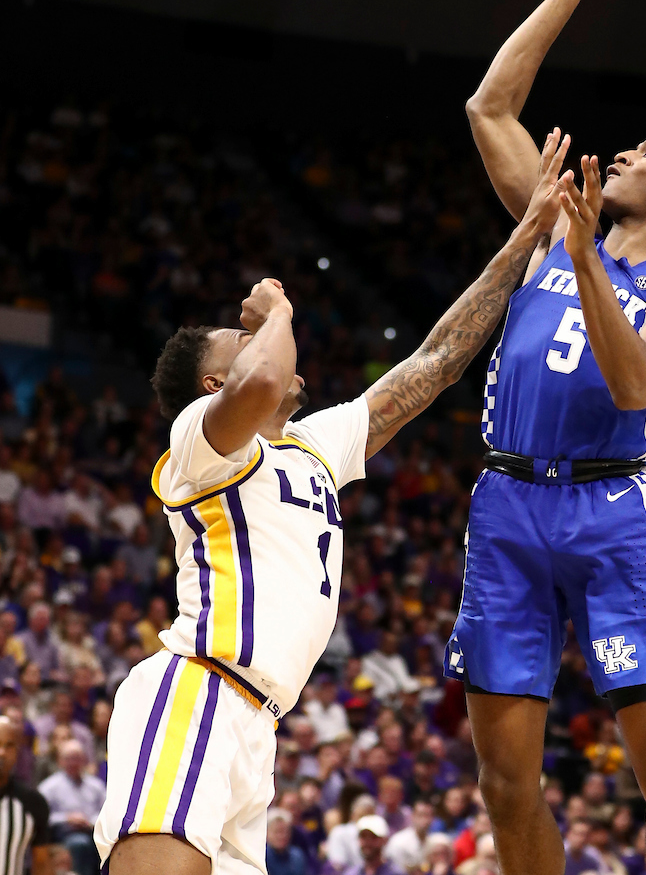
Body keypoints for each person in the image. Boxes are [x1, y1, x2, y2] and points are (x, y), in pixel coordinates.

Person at [95, 156, 568, 875]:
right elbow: (258, 382)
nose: (270, 344)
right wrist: (278, 314)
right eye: (243, 342)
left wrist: (527, 234)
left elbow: (436, 361)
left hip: (258, 721)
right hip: (198, 687)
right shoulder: (200, 440)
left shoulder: (311, 445)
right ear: (214, 383)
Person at [448, 0, 646, 875]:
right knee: (503, 782)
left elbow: (636, 382)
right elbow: (490, 107)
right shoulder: (552, 225)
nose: (623, 154)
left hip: (609, 506)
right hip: (507, 501)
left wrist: (582, 257)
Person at [39, 739, 105, 875]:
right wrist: (67, 818)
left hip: (93, 831)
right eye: (68, 759)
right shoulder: (48, 787)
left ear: (84, 760)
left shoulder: (96, 786)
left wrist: (91, 821)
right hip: (63, 834)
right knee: (80, 843)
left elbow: (105, 812)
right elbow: (42, 818)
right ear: (60, 761)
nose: (73, 763)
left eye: (77, 758)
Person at [0, 715, 50, 875]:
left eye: (9, 745)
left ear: (17, 751)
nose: (2, 752)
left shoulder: (33, 802)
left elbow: (41, 864)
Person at [384, 800, 435, 872]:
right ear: (413, 816)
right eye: (420, 815)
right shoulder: (398, 841)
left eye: (427, 815)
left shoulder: (434, 842)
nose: (424, 820)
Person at [266, 808, 308, 875]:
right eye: (277, 832)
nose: (281, 836)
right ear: (267, 833)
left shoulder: (297, 856)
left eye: (285, 832)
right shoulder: (261, 857)